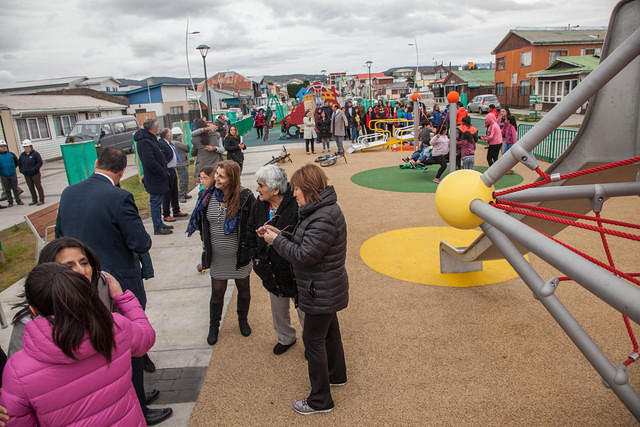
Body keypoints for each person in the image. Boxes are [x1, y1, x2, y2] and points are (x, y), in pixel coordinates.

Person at [55, 147, 173, 425]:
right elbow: (140, 242)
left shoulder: (69, 193)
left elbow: (60, 235)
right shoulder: (119, 197)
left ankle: (134, 394)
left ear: (96, 164)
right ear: (122, 172)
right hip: (114, 283)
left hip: (74, 284)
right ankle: (139, 407)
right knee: (126, 343)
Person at [0, 262, 155, 426]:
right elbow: (146, 338)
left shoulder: (18, 371)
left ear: (33, 309)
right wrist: (123, 298)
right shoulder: (115, 328)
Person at [260, 164, 348, 415]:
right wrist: (278, 233)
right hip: (324, 287)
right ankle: (336, 374)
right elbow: (305, 241)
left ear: (308, 189)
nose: (294, 193)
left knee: (314, 340)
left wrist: (276, 241)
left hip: (319, 289)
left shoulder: (323, 215)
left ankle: (320, 400)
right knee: (329, 333)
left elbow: (304, 254)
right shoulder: (319, 210)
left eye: (297, 189)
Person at [186, 160, 256, 346]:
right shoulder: (206, 196)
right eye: (216, 174)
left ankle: (242, 320)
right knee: (217, 292)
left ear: (232, 179)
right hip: (217, 256)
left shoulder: (246, 197)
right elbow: (202, 222)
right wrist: (204, 241)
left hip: (238, 255)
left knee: (243, 288)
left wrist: (251, 250)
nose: (216, 178)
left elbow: (253, 224)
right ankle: (213, 326)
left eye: (221, 176)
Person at [249, 165, 303, 355]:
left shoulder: (296, 206)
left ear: (275, 190)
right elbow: (250, 232)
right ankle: (286, 337)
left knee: (304, 309)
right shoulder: (259, 206)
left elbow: (302, 238)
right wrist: (257, 259)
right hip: (271, 269)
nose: (257, 189)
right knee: (278, 308)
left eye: (261, 185)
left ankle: (311, 342)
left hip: (294, 269)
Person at [134, 119, 172, 235]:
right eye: (157, 126)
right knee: (155, 202)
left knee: (158, 201)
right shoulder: (145, 141)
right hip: (154, 177)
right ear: (151, 128)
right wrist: (162, 171)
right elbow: (149, 161)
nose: (158, 128)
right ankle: (157, 227)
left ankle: (160, 223)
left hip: (158, 176)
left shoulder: (150, 139)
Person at [158, 128, 188, 223]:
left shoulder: (169, 143)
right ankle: (166, 214)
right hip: (167, 169)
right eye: (170, 133)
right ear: (166, 135)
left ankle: (176, 210)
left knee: (174, 191)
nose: (172, 135)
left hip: (172, 169)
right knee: (167, 193)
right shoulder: (162, 144)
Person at [17, 139, 44, 206]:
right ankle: (34, 200)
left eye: (27, 146)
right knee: (31, 187)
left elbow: (39, 162)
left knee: (38, 186)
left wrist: (34, 169)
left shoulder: (35, 154)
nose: (26, 148)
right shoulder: (22, 155)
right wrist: (22, 171)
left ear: (30, 146)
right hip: (27, 175)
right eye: (25, 147)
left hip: (35, 174)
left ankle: (41, 199)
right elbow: (19, 164)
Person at [171, 126, 191, 202]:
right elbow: (187, 148)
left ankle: (184, 193)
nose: (182, 136)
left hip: (181, 163)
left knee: (184, 179)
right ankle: (181, 195)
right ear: (178, 136)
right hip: (181, 164)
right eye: (181, 135)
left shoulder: (174, 142)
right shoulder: (177, 143)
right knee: (184, 180)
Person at [0, 140, 22, 207]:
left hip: (12, 174)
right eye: (1, 146)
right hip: (3, 175)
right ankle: (10, 202)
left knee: (15, 188)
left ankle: (18, 200)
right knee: (7, 190)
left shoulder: (11, 154)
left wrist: (13, 168)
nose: (3, 147)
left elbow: (17, 162)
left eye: (4, 146)